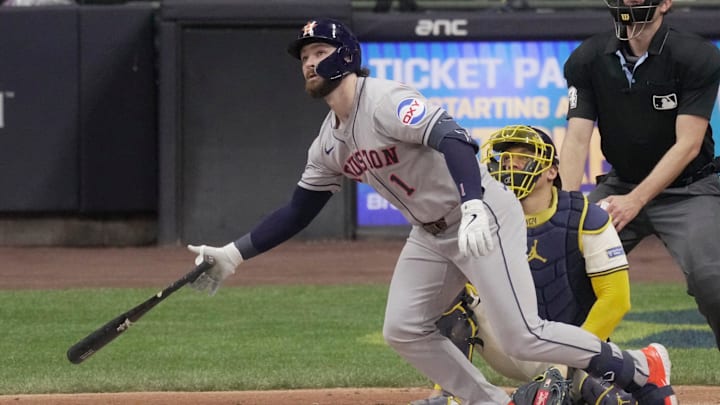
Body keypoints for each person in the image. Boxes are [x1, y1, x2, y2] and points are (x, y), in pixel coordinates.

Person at [187, 18, 675, 405]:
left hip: (481, 214)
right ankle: (491, 403)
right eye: (305, 57)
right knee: (402, 328)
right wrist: (234, 253)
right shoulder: (329, 142)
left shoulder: (385, 101)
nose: (309, 63)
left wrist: (476, 203)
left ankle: (637, 366)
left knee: (524, 336)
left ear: (348, 57)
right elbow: (299, 209)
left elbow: (454, 138)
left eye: (319, 52)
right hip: (430, 233)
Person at [411, 125, 635, 405]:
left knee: (608, 397)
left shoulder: (586, 217)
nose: (512, 164)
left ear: (551, 171)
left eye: (523, 157)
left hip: (575, 346)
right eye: (506, 158)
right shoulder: (482, 219)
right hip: (511, 347)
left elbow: (616, 300)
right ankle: (447, 393)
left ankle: (588, 384)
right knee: (452, 294)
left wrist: (568, 361)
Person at [560, 0, 720, 351]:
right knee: (563, 262)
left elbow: (688, 145)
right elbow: (576, 139)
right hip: (621, 184)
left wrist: (636, 201)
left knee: (713, 280)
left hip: (689, 188)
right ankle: (590, 370)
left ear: (666, 3)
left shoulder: (696, 56)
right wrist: (568, 208)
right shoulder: (587, 58)